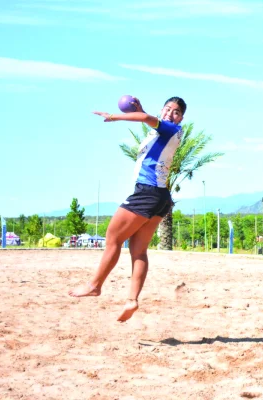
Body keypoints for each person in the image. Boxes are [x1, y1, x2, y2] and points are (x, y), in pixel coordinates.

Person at [68, 96, 186, 322]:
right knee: (138, 251)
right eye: (168, 109)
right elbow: (146, 119)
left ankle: (94, 285)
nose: (171, 114)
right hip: (161, 197)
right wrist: (142, 112)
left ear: (181, 118)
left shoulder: (170, 128)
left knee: (112, 237)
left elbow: (145, 118)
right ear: (162, 110)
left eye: (177, 112)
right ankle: (131, 300)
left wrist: (114, 117)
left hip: (147, 192)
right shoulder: (166, 131)